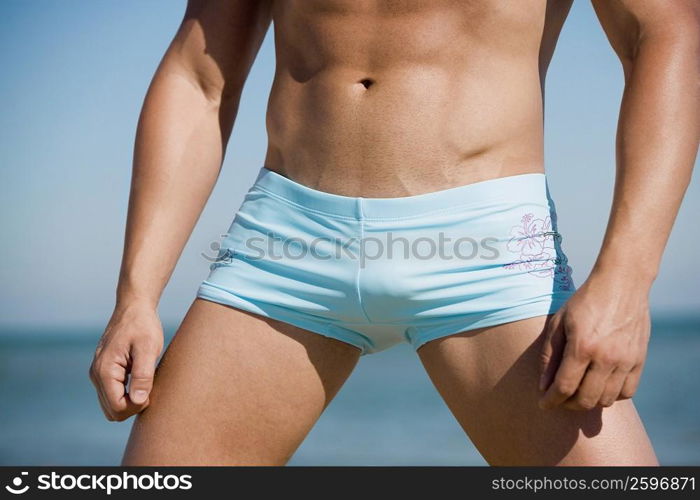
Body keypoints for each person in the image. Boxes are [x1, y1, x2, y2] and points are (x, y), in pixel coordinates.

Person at [89, 0, 699, 465]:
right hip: (285, 246)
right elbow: (200, 76)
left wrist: (625, 280)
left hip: (487, 249)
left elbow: (668, 30)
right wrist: (137, 296)